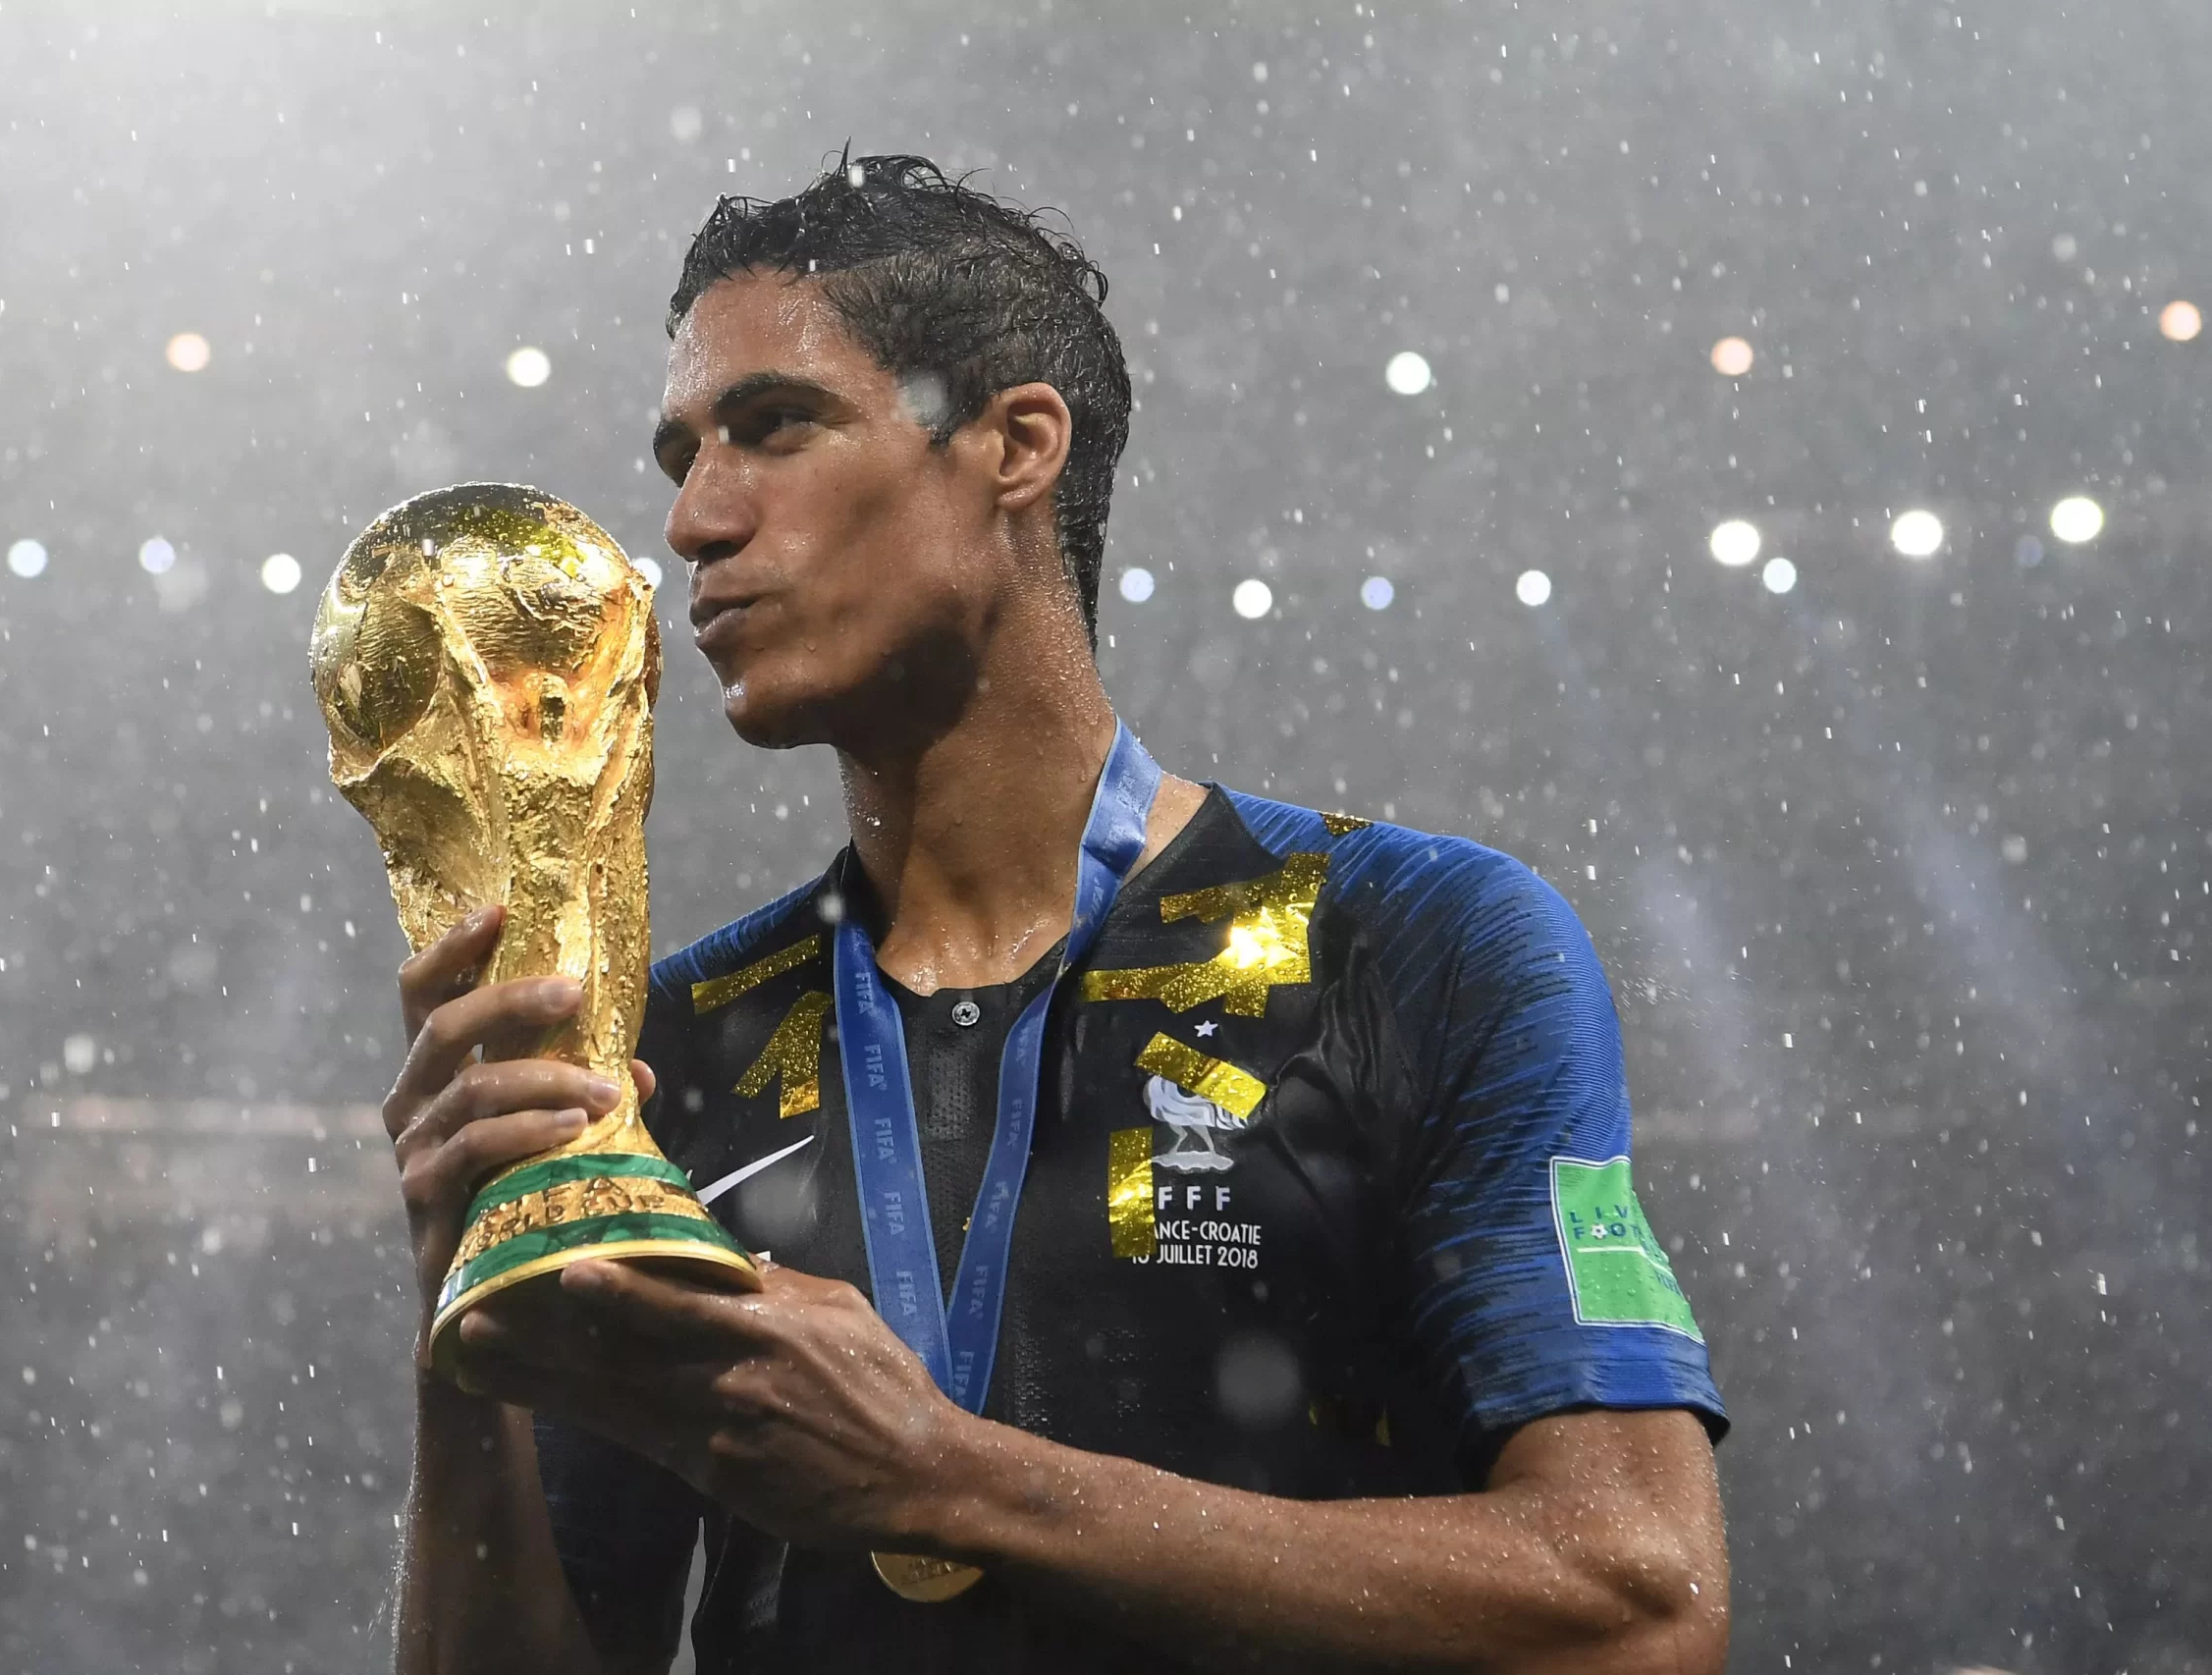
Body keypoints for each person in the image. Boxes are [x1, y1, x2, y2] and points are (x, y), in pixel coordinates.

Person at [381, 154, 1729, 1675]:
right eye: (681, 453)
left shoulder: (1418, 939)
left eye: (773, 426)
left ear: (1014, 445)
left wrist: (947, 1477)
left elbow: (1637, 1601)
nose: (692, 520)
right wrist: (463, 1331)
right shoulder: (668, 1046)